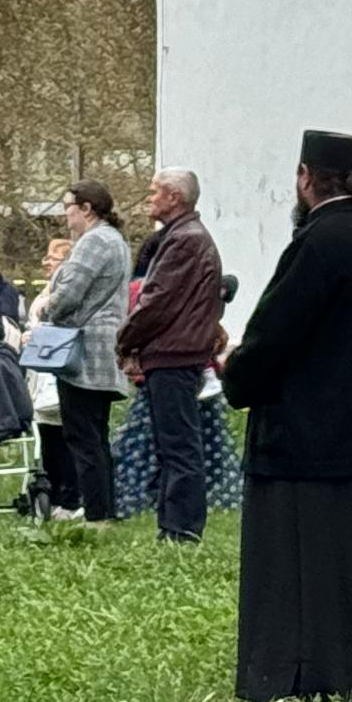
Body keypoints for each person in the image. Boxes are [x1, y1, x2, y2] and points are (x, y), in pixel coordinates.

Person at [222, 130, 352, 702]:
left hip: (302, 437)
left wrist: (236, 372)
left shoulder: (319, 243)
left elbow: (275, 335)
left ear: (305, 178)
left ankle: (299, 675)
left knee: (296, 564)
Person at [120, 168, 231, 545]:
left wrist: (125, 341)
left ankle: (182, 529)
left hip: (174, 354)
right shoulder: (183, 236)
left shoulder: (184, 240)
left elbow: (157, 301)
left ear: (174, 197)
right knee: (173, 445)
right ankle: (172, 526)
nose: (149, 198)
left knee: (179, 446)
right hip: (175, 352)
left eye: (155, 191)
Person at [32, 179, 132, 526]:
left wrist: (46, 307)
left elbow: (70, 293)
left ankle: (95, 514)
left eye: (68, 207)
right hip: (104, 348)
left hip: (84, 351)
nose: (65, 215)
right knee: (97, 436)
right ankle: (105, 509)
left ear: (86, 208)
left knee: (81, 436)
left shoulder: (93, 241)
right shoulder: (116, 240)